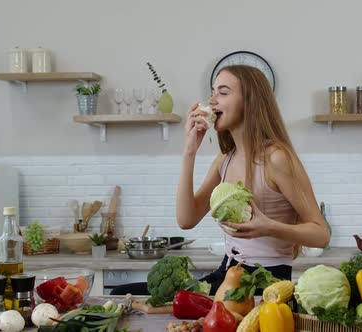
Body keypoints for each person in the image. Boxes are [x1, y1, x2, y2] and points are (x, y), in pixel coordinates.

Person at [111, 65, 330, 296]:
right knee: (122, 294)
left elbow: (320, 234)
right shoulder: (225, 159)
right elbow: (186, 220)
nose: (212, 100)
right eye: (212, 92)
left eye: (223, 93)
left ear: (250, 102)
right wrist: (189, 151)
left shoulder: (276, 158)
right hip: (226, 274)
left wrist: (269, 227)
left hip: (265, 284)